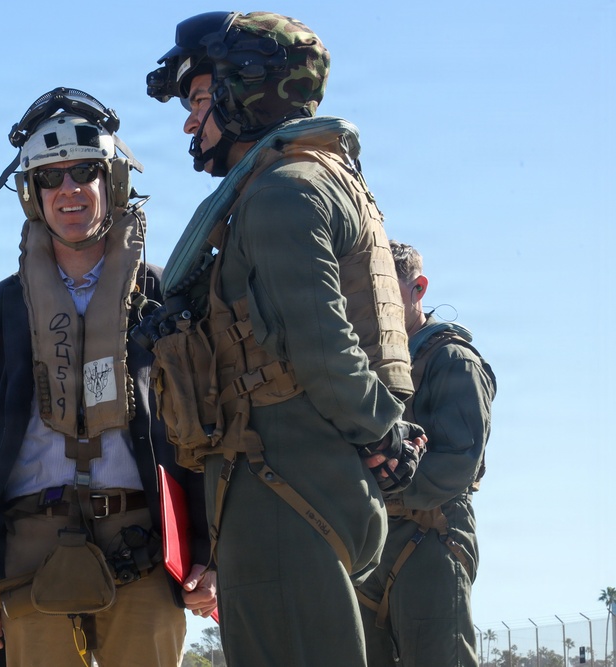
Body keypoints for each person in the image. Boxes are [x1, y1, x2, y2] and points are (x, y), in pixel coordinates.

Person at [144, 11, 427, 666]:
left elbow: (321, 344)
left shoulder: (281, 193)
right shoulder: (318, 181)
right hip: (294, 485)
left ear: (246, 91)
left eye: (200, 99)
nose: (191, 122)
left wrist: (380, 430)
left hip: (279, 492)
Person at [0, 87, 215, 667]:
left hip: (142, 544)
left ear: (112, 181)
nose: (69, 190)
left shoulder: (168, 297)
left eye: (85, 172)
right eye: (51, 178)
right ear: (32, 194)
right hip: (28, 552)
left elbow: (199, 434)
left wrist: (207, 553)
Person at [357, 241, 497, 666]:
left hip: (433, 533)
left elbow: (457, 463)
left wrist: (387, 492)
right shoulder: (363, 366)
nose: (373, 302)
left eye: (383, 288)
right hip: (371, 540)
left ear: (418, 289)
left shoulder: (452, 360)